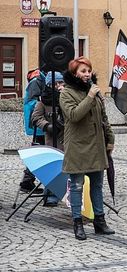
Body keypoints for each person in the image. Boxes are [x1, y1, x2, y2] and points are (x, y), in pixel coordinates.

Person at [60, 56, 115, 240]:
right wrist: (90, 96)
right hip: (77, 146)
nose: (87, 74)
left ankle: (100, 221)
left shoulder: (95, 91)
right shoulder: (66, 93)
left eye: (88, 70)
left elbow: (103, 117)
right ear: (75, 73)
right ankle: (77, 223)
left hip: (97, 145)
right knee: (76, 186)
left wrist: (110, 138)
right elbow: (74, 115)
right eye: (83, 71)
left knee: (97, 186)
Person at [31, 71, 66, 207]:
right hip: (53, 139)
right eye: (54, 83)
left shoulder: (67, 97)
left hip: (68, 137)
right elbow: (36, 118)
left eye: (60, 82)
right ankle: (51, 194)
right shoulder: (43, 101)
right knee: (54, 168)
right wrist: (47, 126)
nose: (57, 86)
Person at [20, 67, 46, 193]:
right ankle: (27, 181)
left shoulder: (39, 79)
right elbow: (31, 102)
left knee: (40, 152)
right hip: (40, 124)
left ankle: (28, 180)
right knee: (39, 152)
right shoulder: (36, 81)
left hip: (42, 124)